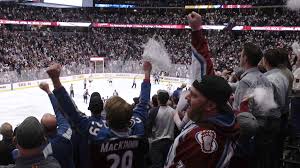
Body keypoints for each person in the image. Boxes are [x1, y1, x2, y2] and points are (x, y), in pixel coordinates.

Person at [46, 61, 151, 140]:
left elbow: (72, 112)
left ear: (107, 119)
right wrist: (147, 73)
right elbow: (143, 103)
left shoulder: (99, 133)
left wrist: (55, 80)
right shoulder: (137, 125)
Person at [165, 76, 239, 168]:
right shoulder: (211, 122)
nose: (187, 97)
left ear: (210, 105)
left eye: (194, 95)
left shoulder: (199, 141)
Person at [39, 82, 75, 168]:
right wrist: (48, 91)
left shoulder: (44, 148)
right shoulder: (66, 131)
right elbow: (58, 110)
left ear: (43, 129)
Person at [147, 90, 175, 168]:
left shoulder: (153, 111)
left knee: (157, 165)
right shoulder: (173, 111)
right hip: (169, 142)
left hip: (157, 142)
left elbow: (148, 127)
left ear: (158, 99)